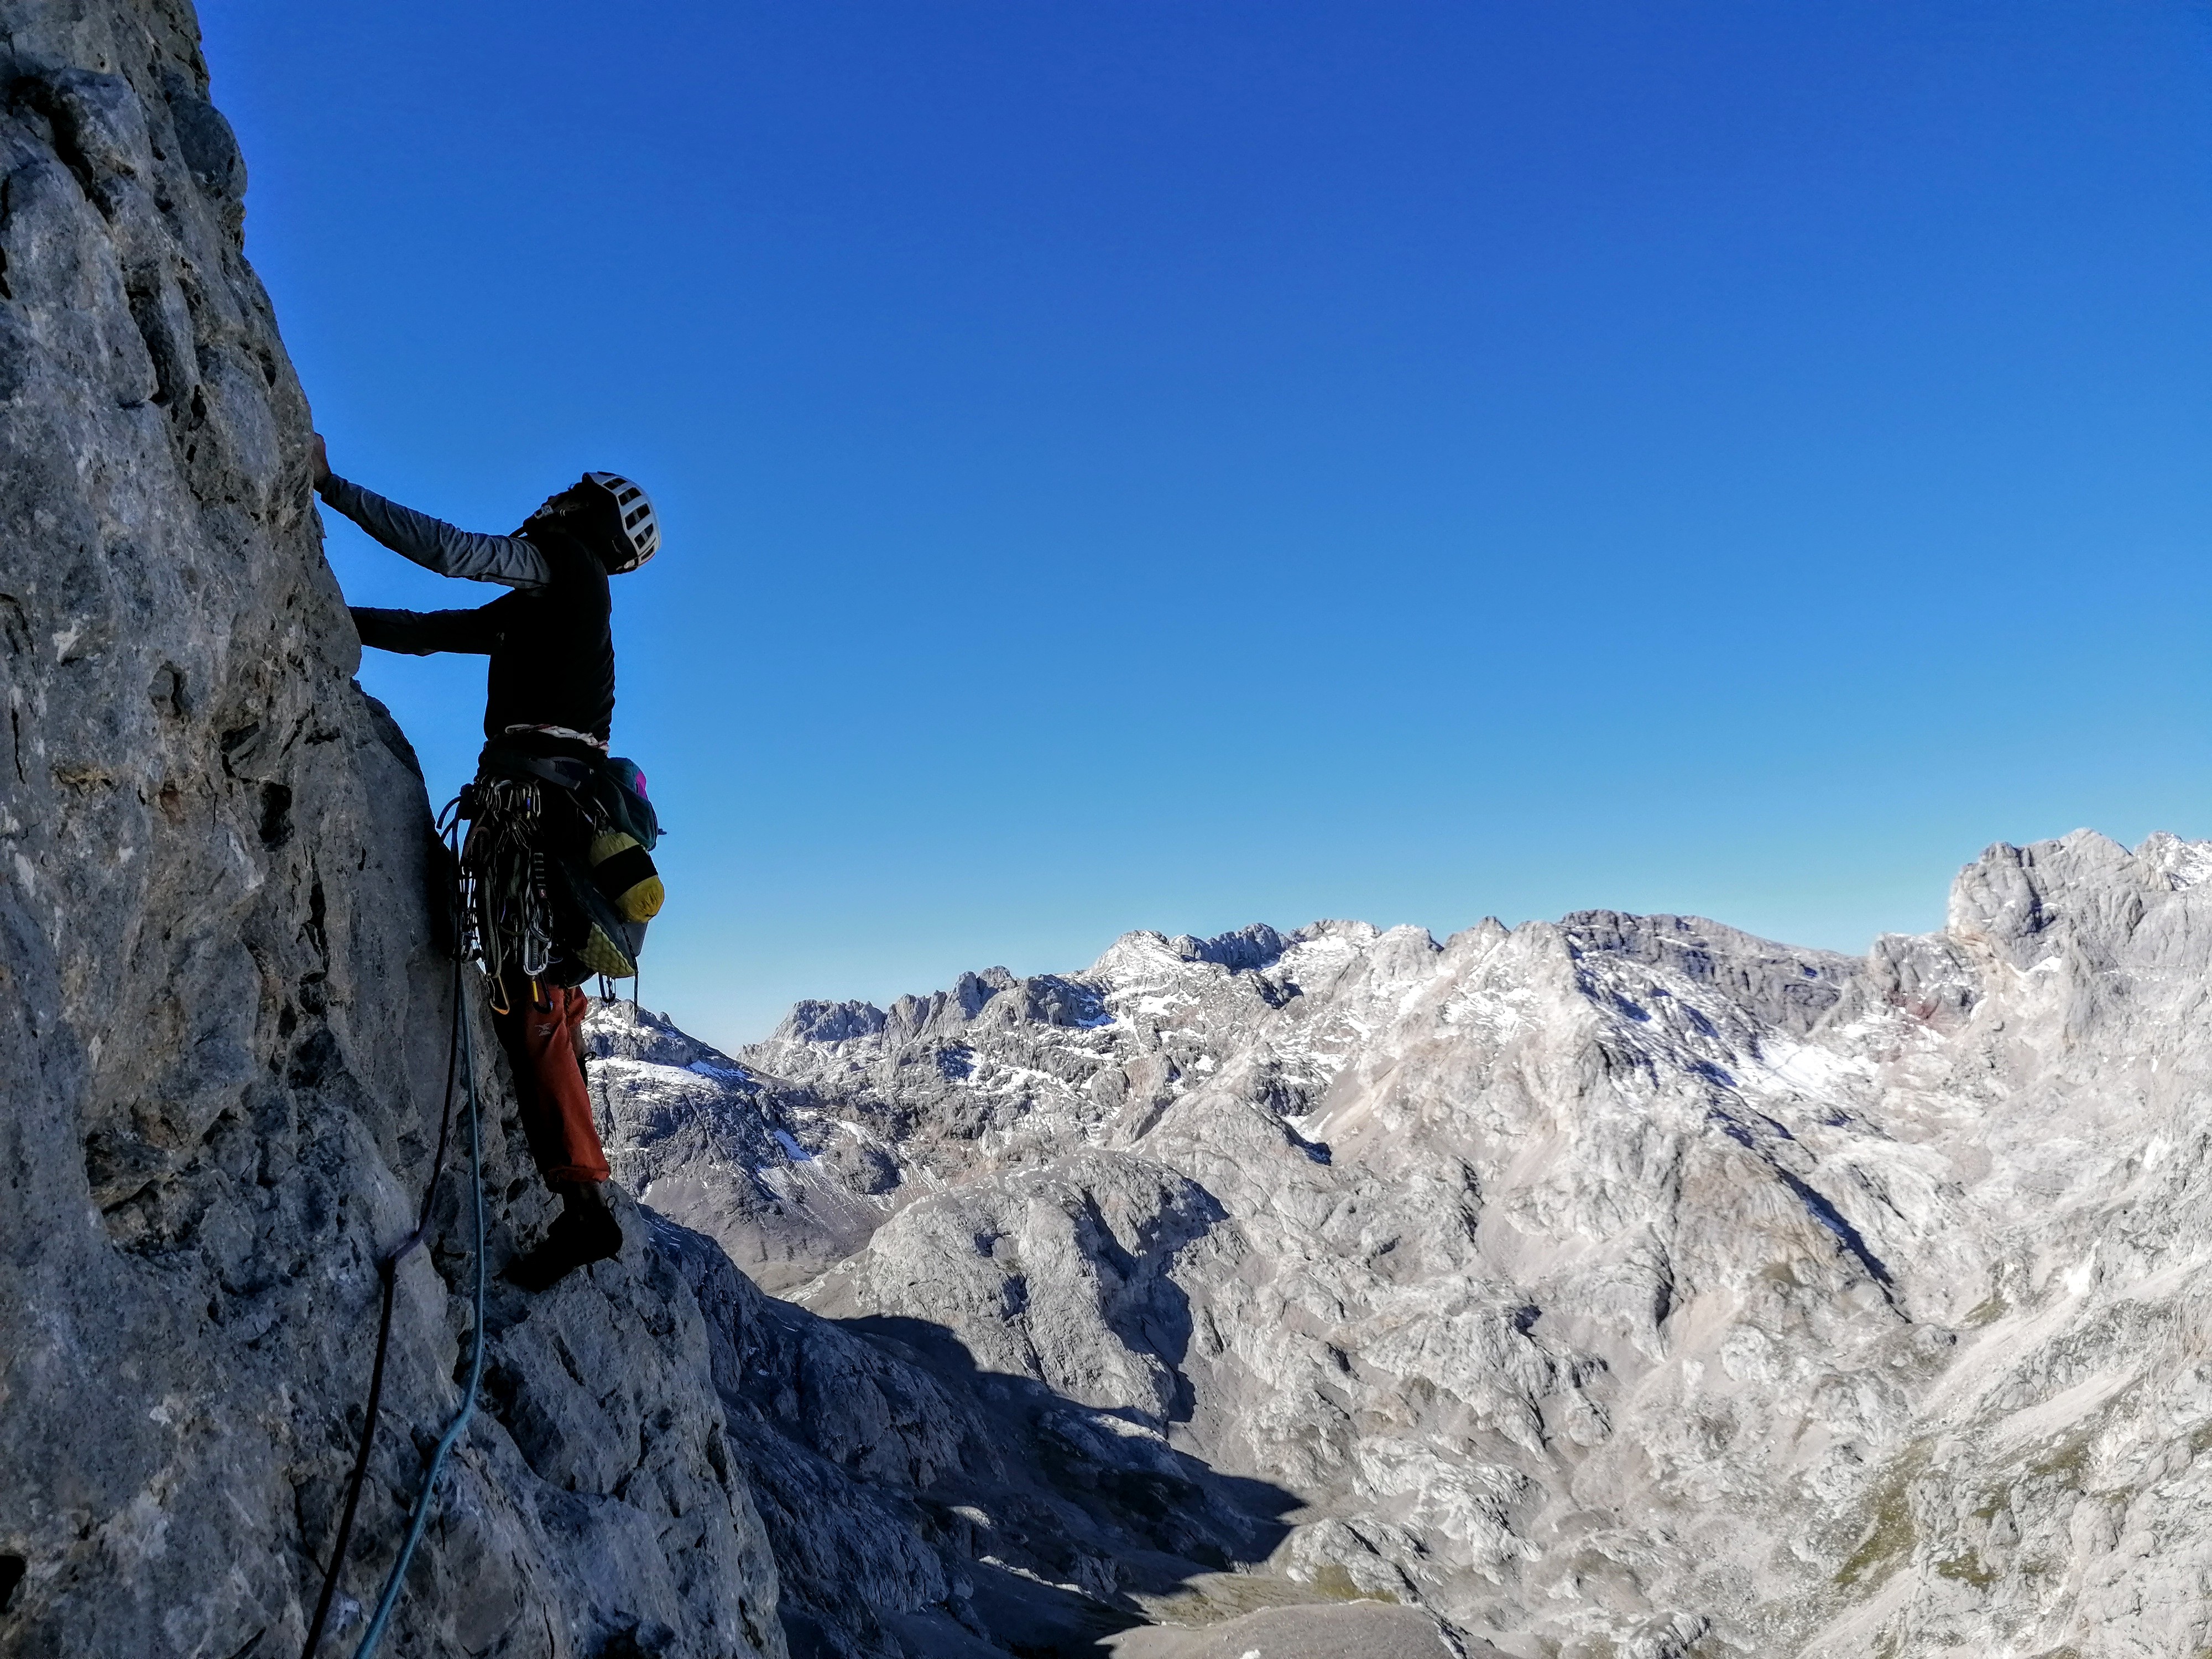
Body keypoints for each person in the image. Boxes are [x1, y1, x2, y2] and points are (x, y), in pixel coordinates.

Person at [312, 434, 659, 1291]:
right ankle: (579, 1194)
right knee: (547, 989)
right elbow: (437, 634)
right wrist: (329, 619)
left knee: (533, 994)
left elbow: (452, 556)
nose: (549, 502)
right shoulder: (556, 602)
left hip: (534, 811)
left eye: (569, 496)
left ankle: (584, 1207)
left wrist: (331, 487)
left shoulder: (562, 562)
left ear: (587, 517)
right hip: (554, 808)